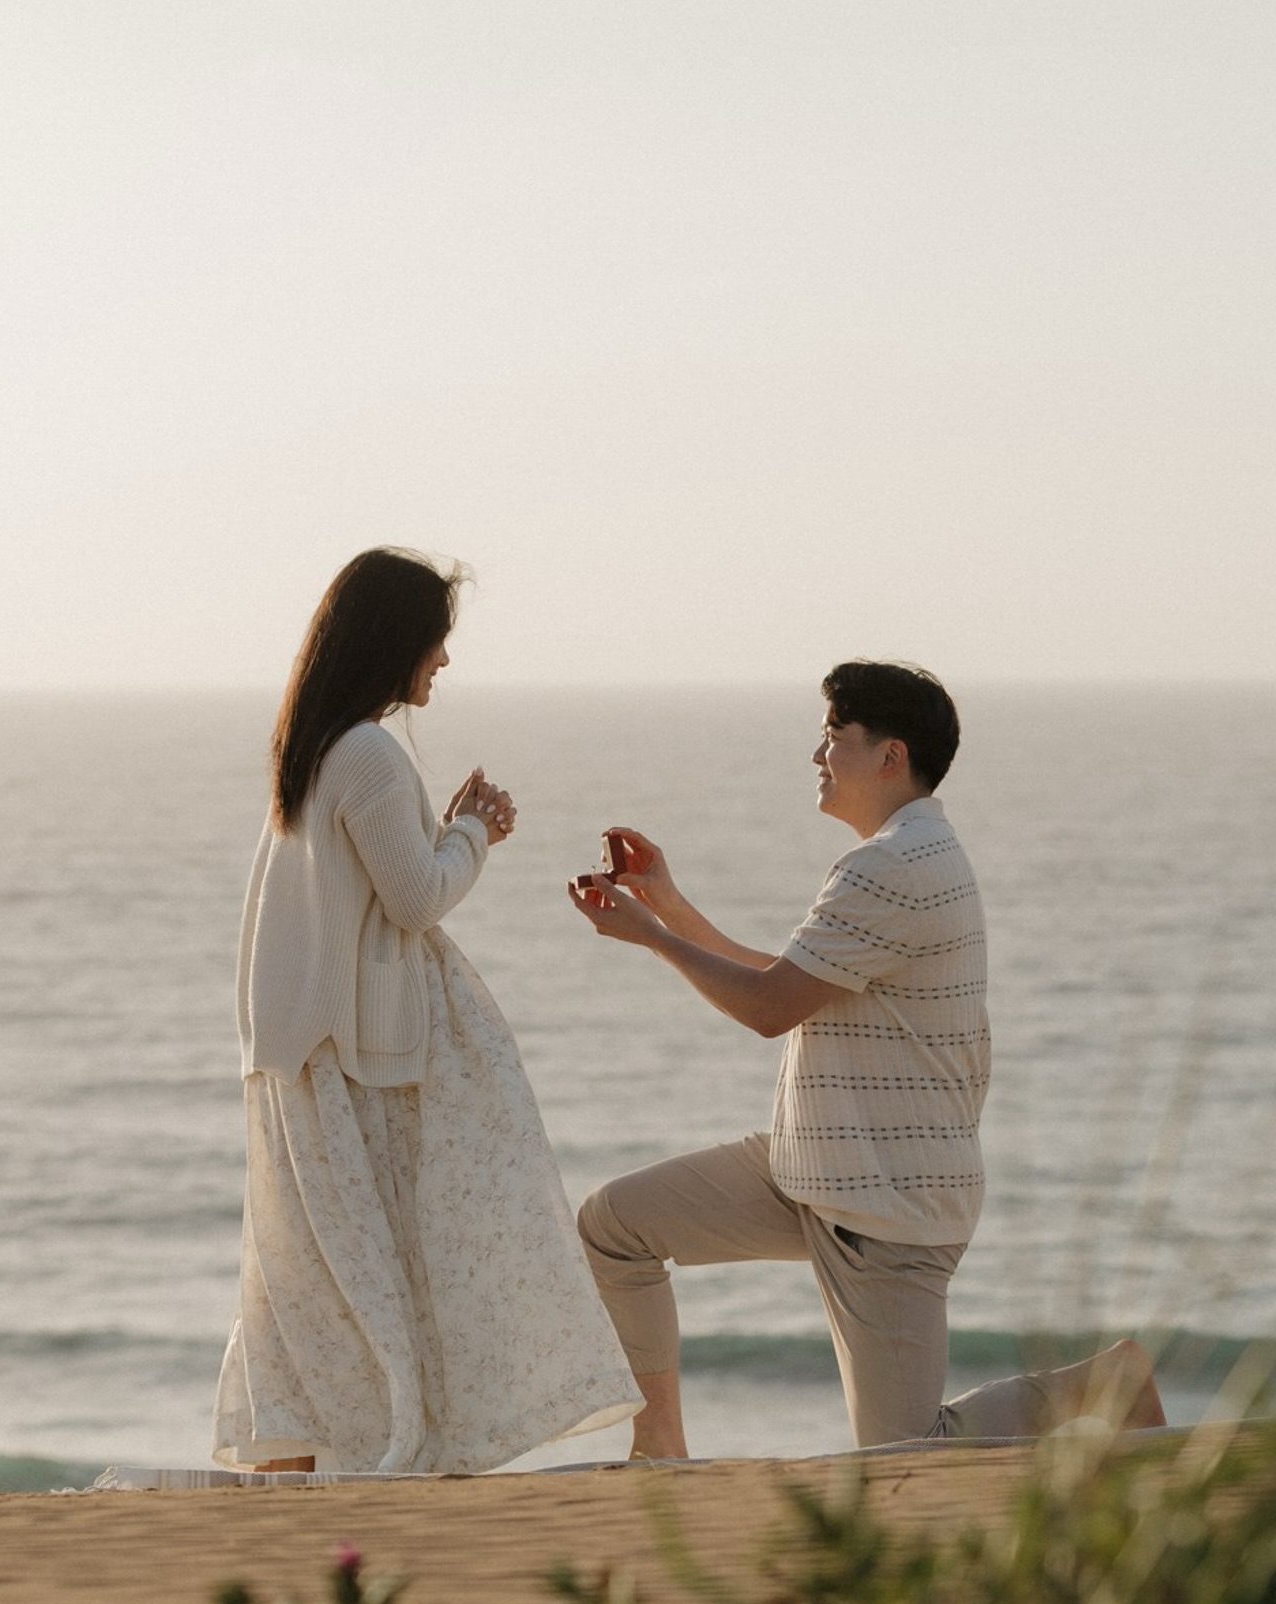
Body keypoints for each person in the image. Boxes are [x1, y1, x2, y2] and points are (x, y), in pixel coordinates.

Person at [569, 659, 1165, 1457]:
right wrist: (666, 904)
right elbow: (785, 977)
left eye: (832, 739)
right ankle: (661, 1445)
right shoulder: (901, 853)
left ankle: (1105, 1386)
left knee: (905, 1450)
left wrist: (650, 936)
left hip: (886, 1204)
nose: (817, 756)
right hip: (811, 1170)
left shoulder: (894, 866)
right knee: (616, 1227)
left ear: (890, 757)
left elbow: (767, 1009)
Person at [213, 547, 641, 1473]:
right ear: (398, 641)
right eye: (436, 643)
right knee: (387, 1256)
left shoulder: (319, 744)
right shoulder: (365, 751)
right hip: (355, 1052)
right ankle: (404, 1441)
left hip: (304, 1047)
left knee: (312, 1271)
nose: (443, 662)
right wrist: (476, 834)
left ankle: (301, 1453)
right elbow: (413, 899)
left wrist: (449, 829)